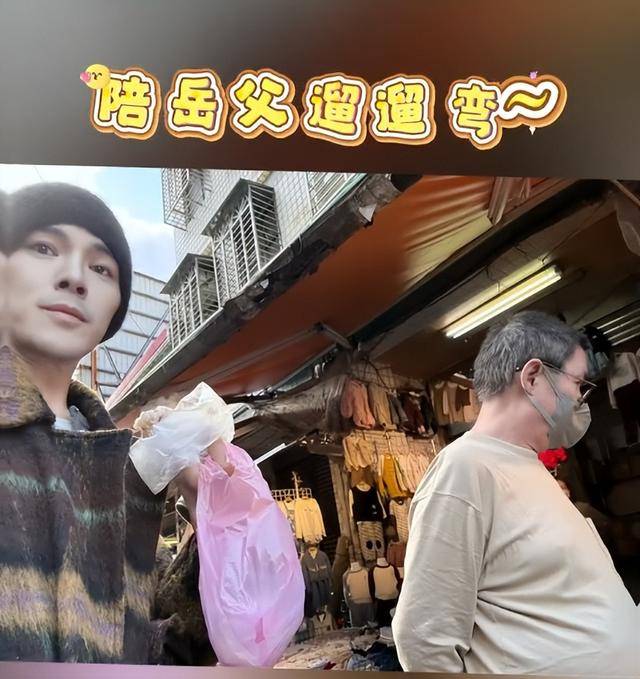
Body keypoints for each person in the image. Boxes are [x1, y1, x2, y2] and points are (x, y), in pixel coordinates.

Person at [0, 183, 220, 663]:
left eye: (101, 268)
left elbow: (161, 653)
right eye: (44, 248)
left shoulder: (123, 470)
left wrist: (213, 515)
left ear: (114, 306)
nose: (75, 277)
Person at [393, 311, 639, 676]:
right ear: (533, 377)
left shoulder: (529, 467)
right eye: (578, 384)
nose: (580, 400)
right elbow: (424, 640)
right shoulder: (465, 469)